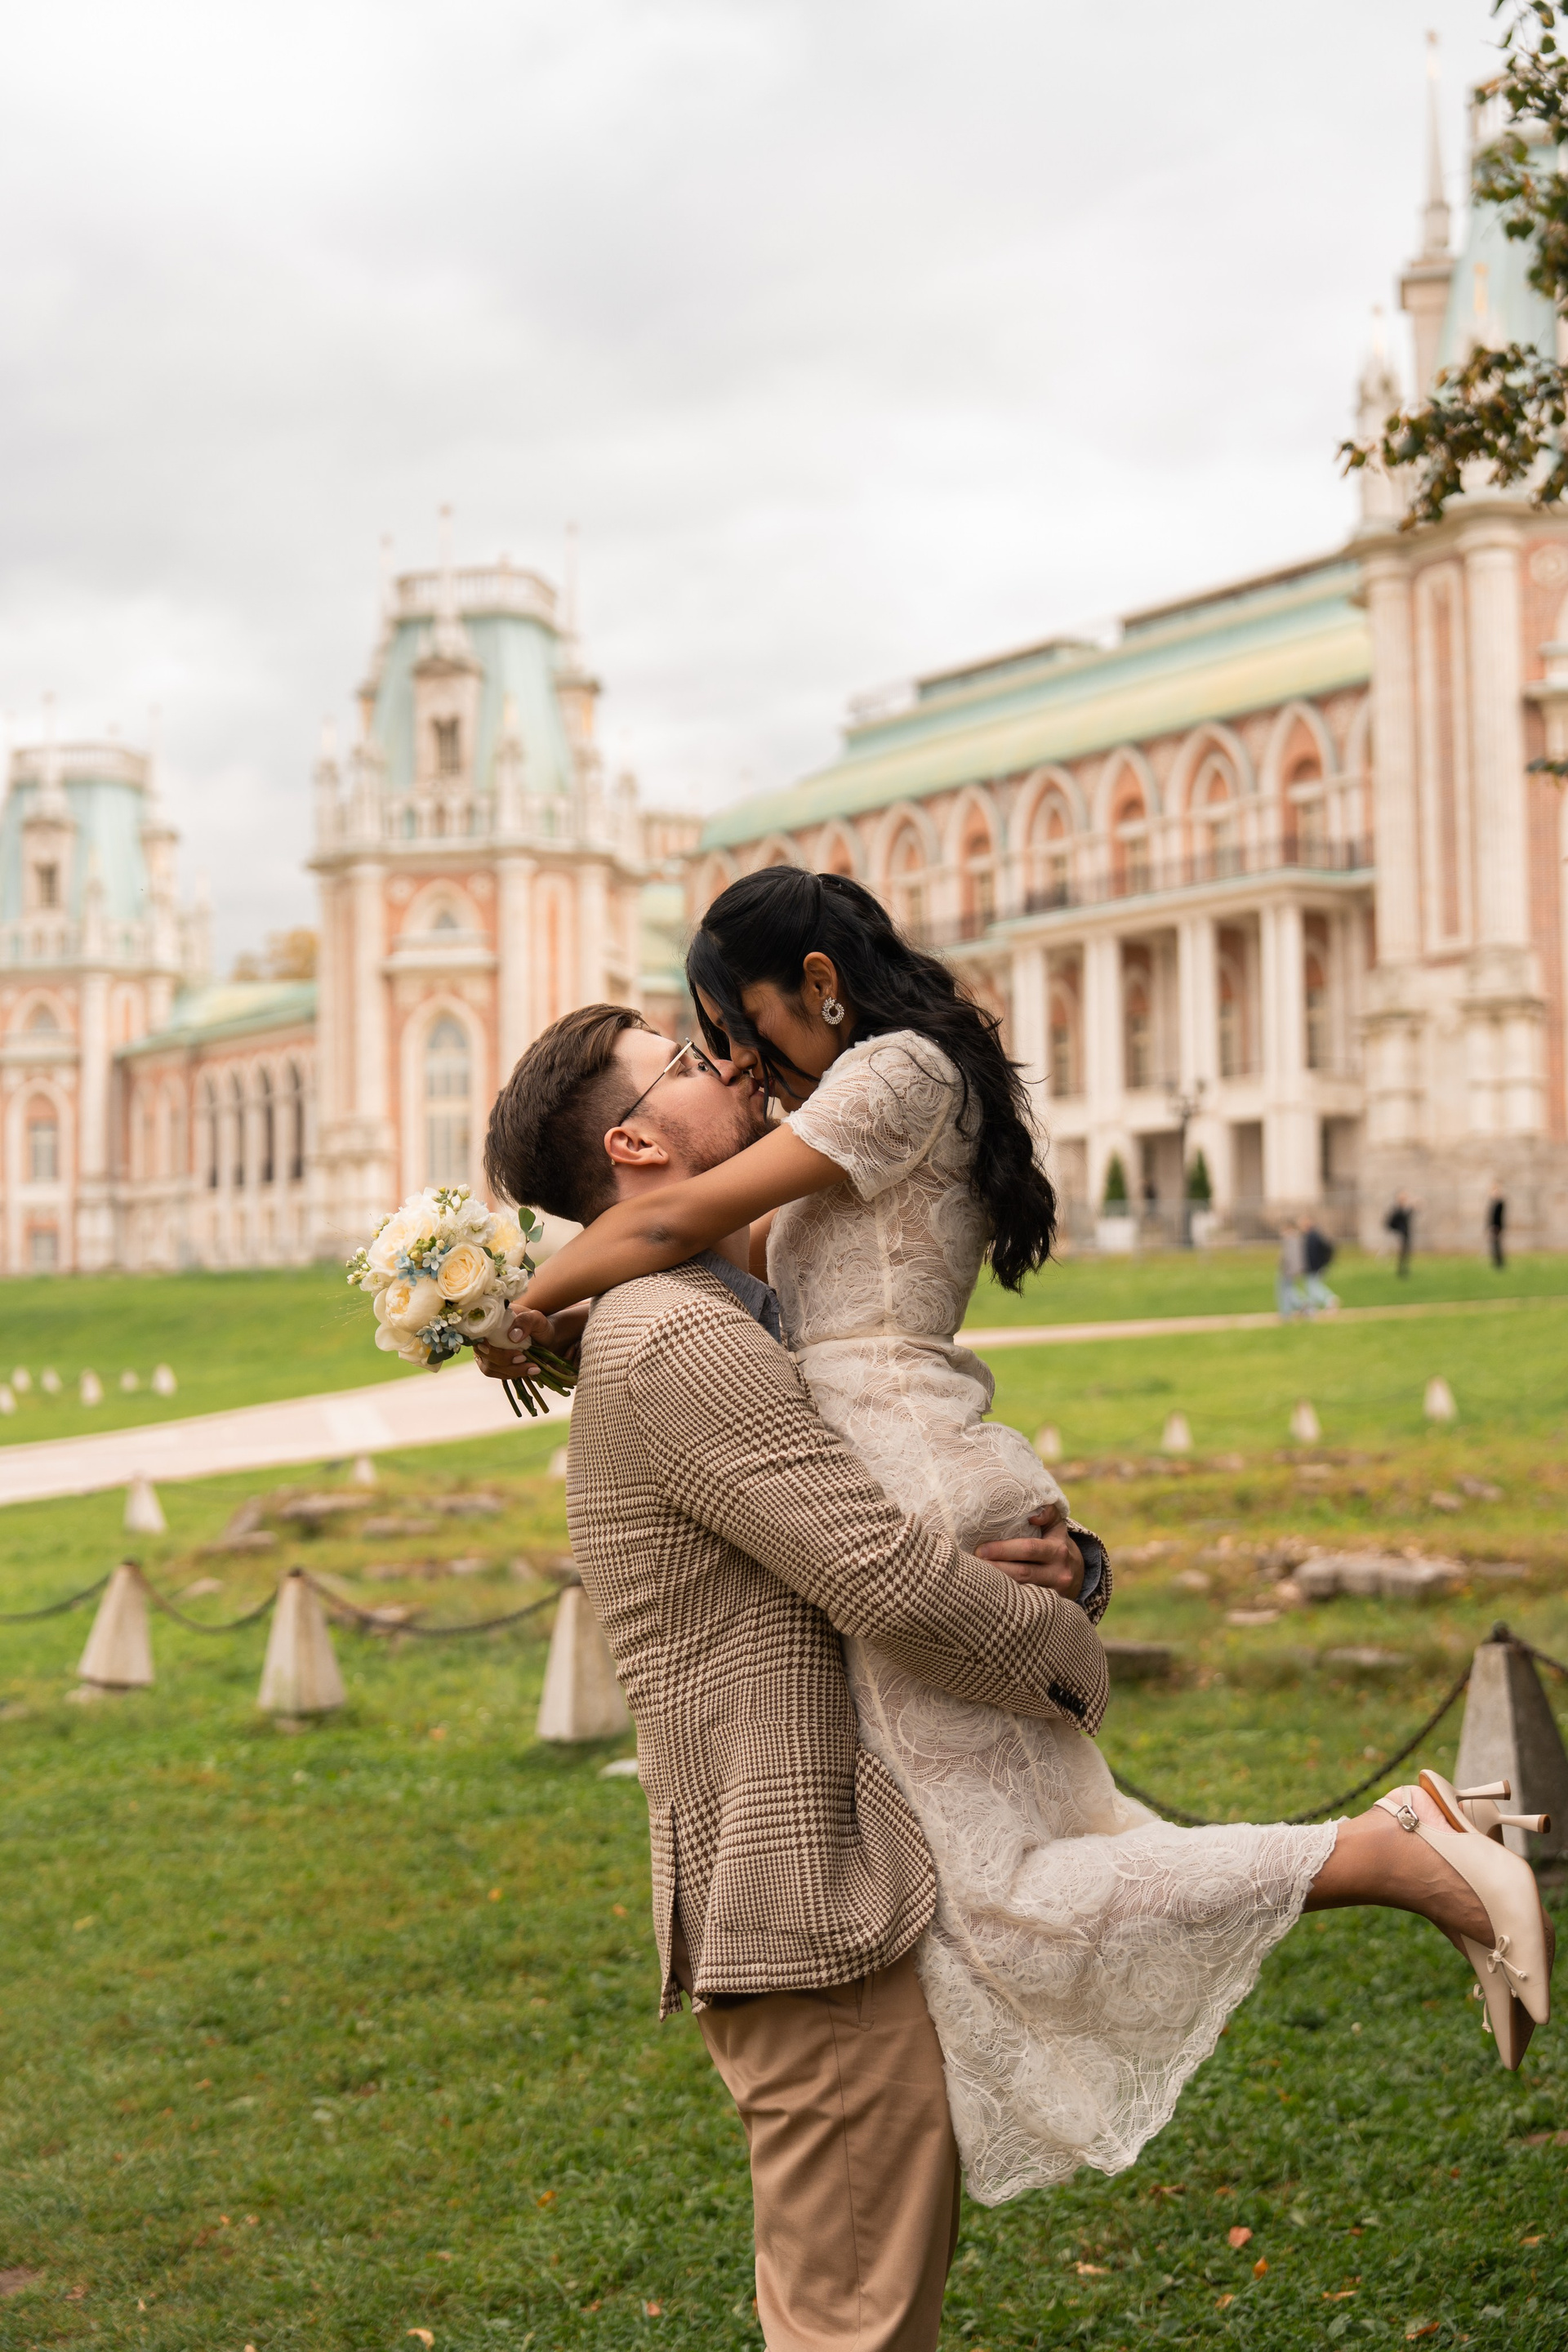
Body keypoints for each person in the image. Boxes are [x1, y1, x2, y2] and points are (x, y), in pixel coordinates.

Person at [486, 884, 1552, 2230]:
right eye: (705, 1052)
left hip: (909, 1469)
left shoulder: (894, 1075)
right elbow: (693, 1276)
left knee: (1009, 1892)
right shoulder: (830, 1131)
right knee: (1042, 1864)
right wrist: (562, 1322)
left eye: (733, 1029)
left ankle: (1394, 1855)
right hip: (908, 1460)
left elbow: (657, 1230)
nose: (739, 1064)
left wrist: (506, 1309)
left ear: (818, 982)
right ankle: (1399, 1848)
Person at [1301, 1216, 1339, 1314]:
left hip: (1314, 1267)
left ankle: (1329, 1300)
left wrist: (1322, 1263)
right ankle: (1313, 1308)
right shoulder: (1310, 1236)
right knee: (1312, 1288)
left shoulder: (1313, 1237)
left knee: (1314, 1288)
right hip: (1313, 1267)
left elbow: (1319, 1252)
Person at [1276, 1216, 1307, 1319]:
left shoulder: (1291, 1239)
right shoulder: (1294, 1239)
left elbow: (1291, 1257)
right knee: (1288, 1291)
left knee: (1286, 1292)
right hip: (1289, 1269)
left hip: (1288, 1270)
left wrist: (1289, 1269)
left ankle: (1299, 1306)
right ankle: (1288, 1312)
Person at [1387, 1190, 1415, 1276]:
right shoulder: (1397, 1210)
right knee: (1401, 1252)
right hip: (1399, 1234)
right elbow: (1391, 1222)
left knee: (1405, 1253)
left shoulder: (1403, 1209)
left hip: (1405, 1234)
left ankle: (1404, 1270)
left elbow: (1407, 1217)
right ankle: (1401, 1270)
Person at [1487, 1183, 1507, 1271]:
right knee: (1494, 1245)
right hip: (1494, 1227)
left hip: (1497, 1227)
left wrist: (1496, 1227)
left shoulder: (1499, 1204)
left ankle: (1499, 1262)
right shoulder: (1494, 1204)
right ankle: (1496, 1262)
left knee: (1497, 1245)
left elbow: (1497, 1217)